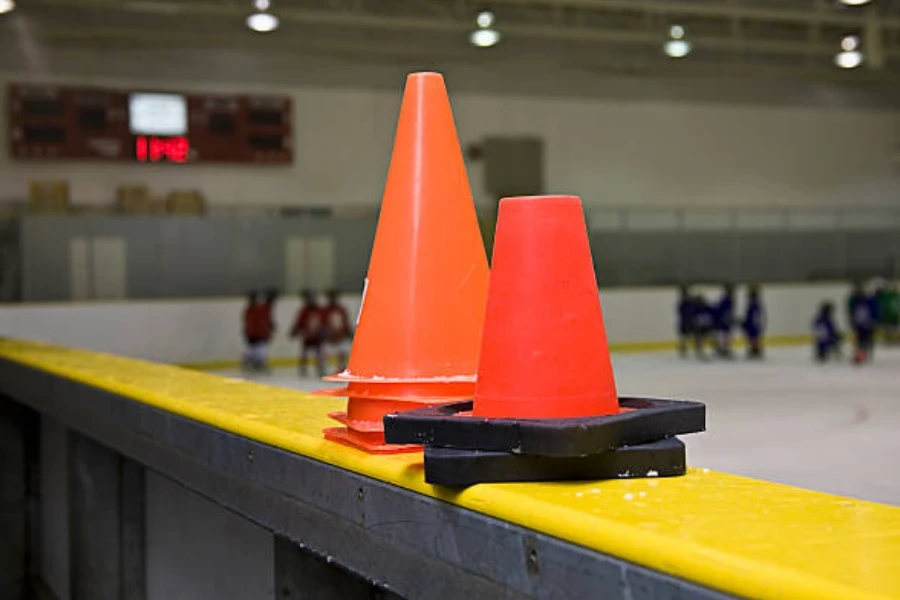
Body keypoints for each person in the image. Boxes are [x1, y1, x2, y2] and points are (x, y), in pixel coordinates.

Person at [290, 290, 324, 377]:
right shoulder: (304, 311)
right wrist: (295, 330)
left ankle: (320, 369)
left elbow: (324, 321)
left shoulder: (319, 310)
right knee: (304, 353)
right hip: (307, 336)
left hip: (317, 336)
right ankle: (303, 369)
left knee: (319, 353)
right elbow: (299, 322)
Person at [242, 290, 274, 372]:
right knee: (255, 348)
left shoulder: (260, 308)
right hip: (255, 332)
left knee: (259, 347)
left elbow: (265, 318)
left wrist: (269, 326)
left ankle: (256, 362)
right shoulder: (251, 309)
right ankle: (254, 362)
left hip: (259, 332)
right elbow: (251, 321)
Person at [321, 289, 352, 373]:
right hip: (329, 339)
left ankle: (341, 368)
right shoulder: (325, 311)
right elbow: (322, 325)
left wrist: (347, 334)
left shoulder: (341, 310)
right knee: (325, 352)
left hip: (340, 338)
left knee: (343, 351)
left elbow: (346, 324)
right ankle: (325, 369)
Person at [847, 282, 878, 365]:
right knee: (860, 341)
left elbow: (874, 313)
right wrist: (854, 323)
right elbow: (855, 314)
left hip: (868, 326)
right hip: (860, 326)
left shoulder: (870, 302)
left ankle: (864, 355)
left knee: (866, 341)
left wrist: (873, 322)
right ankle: (859, 355)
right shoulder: (857, 302)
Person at [742, 285, 766, 359]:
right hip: (754, 324)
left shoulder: (754, 305)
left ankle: (755, 350)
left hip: (754, 325)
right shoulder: (755, 305)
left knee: (753, 337)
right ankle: (754, 350)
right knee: (753, 337)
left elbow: (755, 316)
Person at [713, 284, 735, 359]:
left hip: (726, 321)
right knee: (722, 336)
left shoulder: (730, 301)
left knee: (726, 336)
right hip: (722, 321)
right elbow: (720, 310)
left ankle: (724, 349)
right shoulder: (725, 301)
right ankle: (721, 349)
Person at [691, 294, 714, 361]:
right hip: (700, 327)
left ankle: (700, 350)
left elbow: (710, 314)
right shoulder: (695, 308)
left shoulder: (706, 307)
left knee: (701, 339)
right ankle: (699, 350)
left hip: (704, 326)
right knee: (699, 339)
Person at [676, 285, 695, 358]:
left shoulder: (689, 302)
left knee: (687, 336)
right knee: (683, 336)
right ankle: (683, 349)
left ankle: (685, 348)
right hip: (684, 322)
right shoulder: (683, 304)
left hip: (689, 321)